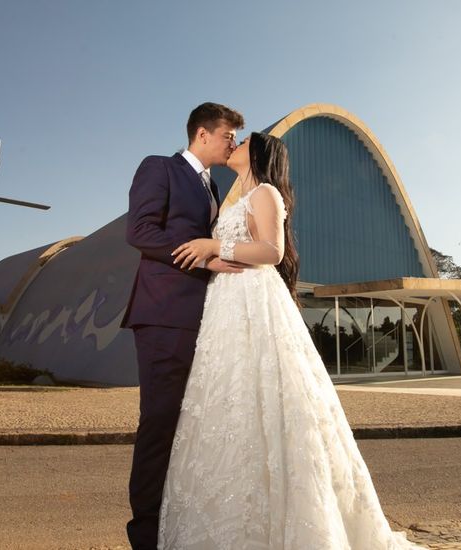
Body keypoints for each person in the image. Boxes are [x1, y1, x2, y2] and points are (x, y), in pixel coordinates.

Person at [159, 132, 425, 549]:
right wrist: (213, 257)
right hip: (226, 304)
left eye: (244, 140)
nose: (235, 145)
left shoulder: (266, 192)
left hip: (255, 301)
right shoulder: (235, 196)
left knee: (269, 396)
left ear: (260, 154)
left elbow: (272, 252)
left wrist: (215, 243)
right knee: (228, 398)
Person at [121, 102, 247, 550]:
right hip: (164, 314)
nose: (233, 143)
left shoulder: (214, 187)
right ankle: (146, 535)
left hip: (205, 320)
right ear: (202, 134)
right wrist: (206, 255)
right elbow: (140, 231)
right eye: (229, 135)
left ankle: (181, 526)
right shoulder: (160, 168)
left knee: (191, 425)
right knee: (159, 421)